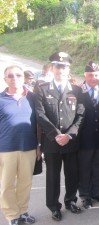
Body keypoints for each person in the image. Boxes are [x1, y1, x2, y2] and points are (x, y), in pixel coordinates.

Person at [35, 52, 85, 221]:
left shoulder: (77, 90)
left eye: (63, 67)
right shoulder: (42, 89)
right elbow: (40, 115)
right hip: (52, 142)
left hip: (70, 142)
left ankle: (70, 201)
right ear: (52, 68)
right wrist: (56, 135)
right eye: (57, 66)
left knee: (72, 174)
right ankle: (54, 207)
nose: (60, 70)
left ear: (68, 69)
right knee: (52, 177)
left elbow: (80, 115)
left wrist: (69, 135)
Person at [0, 65, 39, 225]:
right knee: (6, 185)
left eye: (18, 75)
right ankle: (12, 216)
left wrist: (39, 145)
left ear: (23, 78)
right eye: (10, 76)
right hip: (6, 148)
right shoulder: (1, 99)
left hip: (28, 147)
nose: (14, 78)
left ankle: (23, 212)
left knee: (25, 183)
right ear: (5, 79)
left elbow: (38, 123)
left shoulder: (32, 97)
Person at [78, 61, 99, 209]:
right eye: (90, 75)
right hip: (84, 137)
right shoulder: (78, 91)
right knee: (85, 168)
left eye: (96, 75)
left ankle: (97, 192)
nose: (93, 78)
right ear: (85, 75)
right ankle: (85, 195)